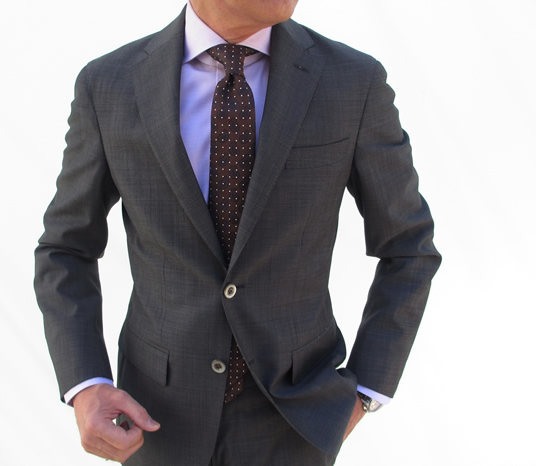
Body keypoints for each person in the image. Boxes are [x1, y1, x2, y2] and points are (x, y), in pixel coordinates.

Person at [34, 0, 441, 464]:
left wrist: (365, 393)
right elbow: (65, 247)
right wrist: (86, 384)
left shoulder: (352, 81)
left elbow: (409, 247)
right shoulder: (108, 84)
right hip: (154, 420)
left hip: (298, 420)